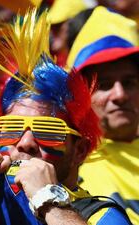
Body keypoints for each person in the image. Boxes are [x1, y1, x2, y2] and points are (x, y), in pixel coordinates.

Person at [0, 9, 132, 225]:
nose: (26, 143)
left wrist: (48, 200)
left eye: (48, 131)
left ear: (79, 150)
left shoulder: (101, 216)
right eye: (11, 128)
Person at [66, 6, 139, 224]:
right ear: (81, 97)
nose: (120, 95)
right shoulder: (69, 169)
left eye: (129, 83)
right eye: (105, 85)